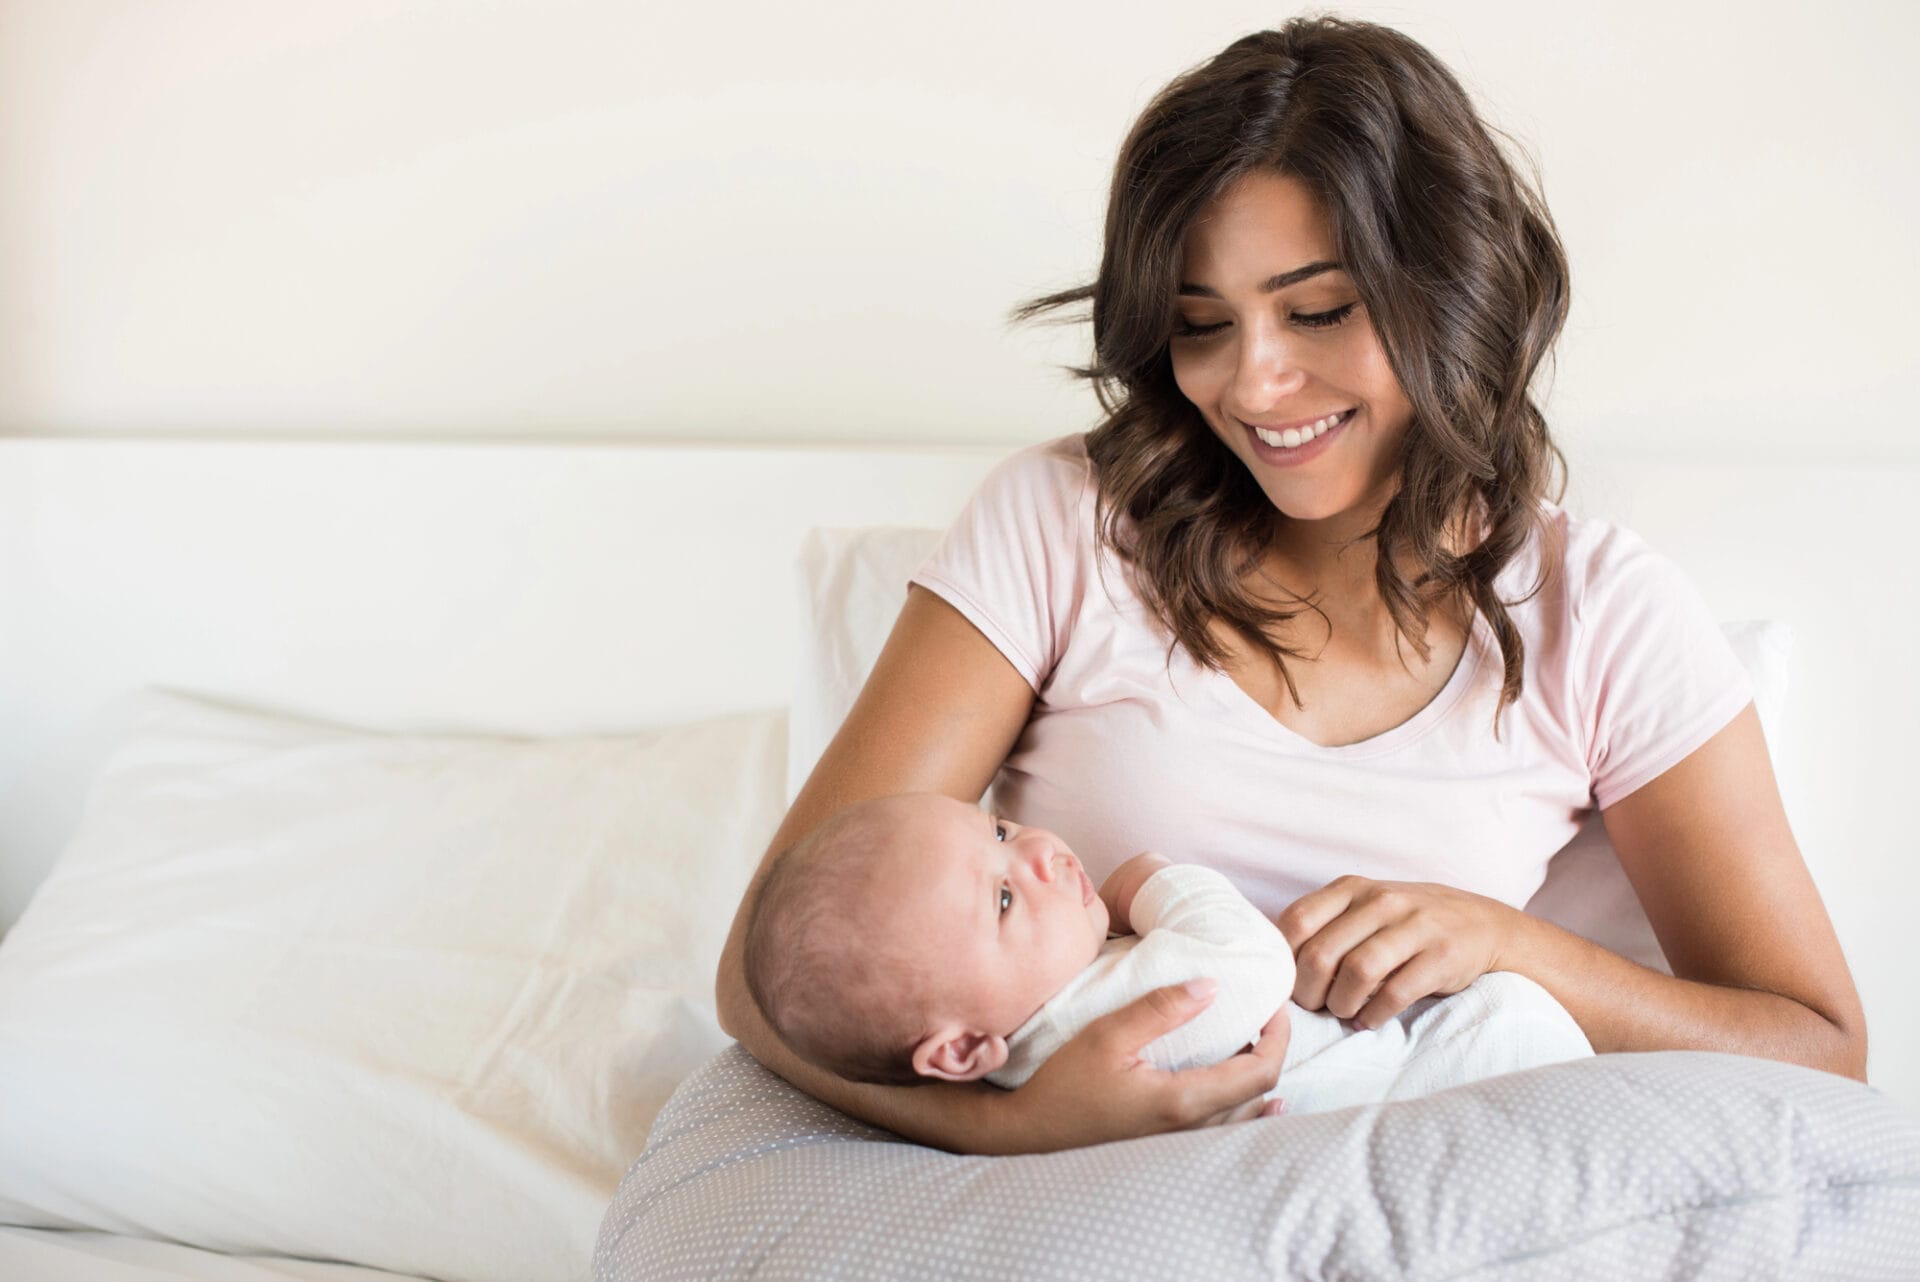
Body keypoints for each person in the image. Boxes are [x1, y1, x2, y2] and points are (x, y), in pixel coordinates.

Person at [717, 15, 1867, 1155]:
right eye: (1201, 325)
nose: (1255, 383)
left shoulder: (1599, 615)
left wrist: (1513, 947)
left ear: (1450, 291)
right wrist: (1013, 1125)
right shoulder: (1062, 525)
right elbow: (761, 987)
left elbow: (1819, 1047)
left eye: (1317, 311)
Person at [741, 792, 1593, 1115]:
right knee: (1512, 1016)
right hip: (1439, 1082)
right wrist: (1151, 883)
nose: (1038, 851)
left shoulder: (1029, 1045)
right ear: (961, 1049)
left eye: (999, 828)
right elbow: (1249, 968)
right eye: (1003, 898)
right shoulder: (1090, 1021)